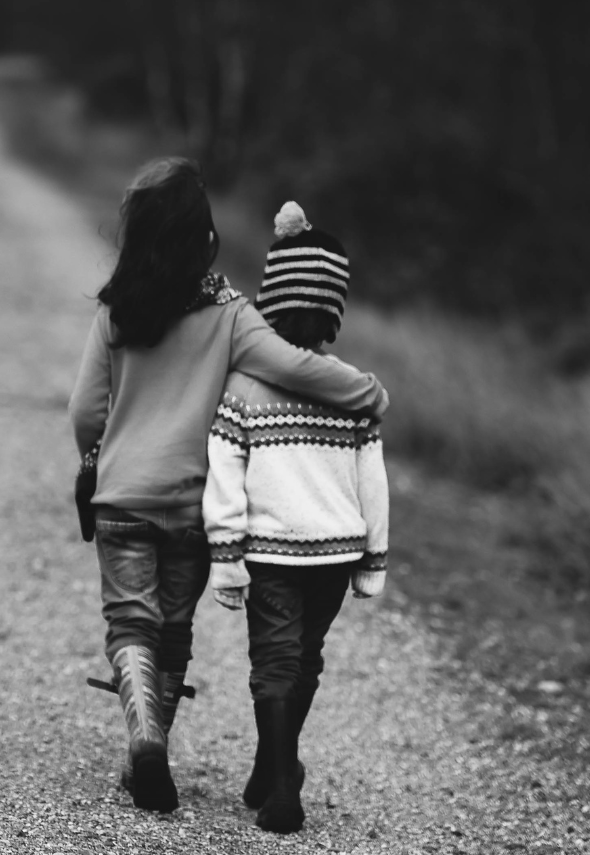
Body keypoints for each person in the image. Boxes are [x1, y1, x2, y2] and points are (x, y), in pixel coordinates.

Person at [68, 161, 389, 815]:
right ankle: (155, 742)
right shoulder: (231, 315)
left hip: (122, 499)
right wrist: (368, 393)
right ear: (204, 238)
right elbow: (295, 367)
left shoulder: (115, 312)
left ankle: (146, 737)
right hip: (192, 506)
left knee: (130, 622)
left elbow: (84, 411)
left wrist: (98, 457)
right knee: (174, 630)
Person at [202, 201, 390, 834]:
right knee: (305, 659)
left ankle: (282, 783)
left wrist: (225, 558)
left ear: (269, 303)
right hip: (335, 553)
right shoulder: (350, 390)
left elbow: (224, 475)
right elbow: (374, 482)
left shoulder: (245, 387)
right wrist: (374, 559)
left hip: (271, 552)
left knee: (274, 663)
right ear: (333, 312)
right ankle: (273, 765)